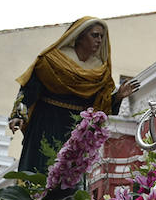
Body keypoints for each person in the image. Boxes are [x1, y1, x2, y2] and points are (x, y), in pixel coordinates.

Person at [8, 17, 140, 173]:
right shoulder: (52, 60)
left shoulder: (100, 72)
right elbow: (29, 88)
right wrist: (19, 114)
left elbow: (100, 108)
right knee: (38, 171)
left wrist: (118, 97)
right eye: (95, 35)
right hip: (46, 122)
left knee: (68, 178)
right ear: (79, 36)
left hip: (76, 131)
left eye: (101, 36)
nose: (99, 40)